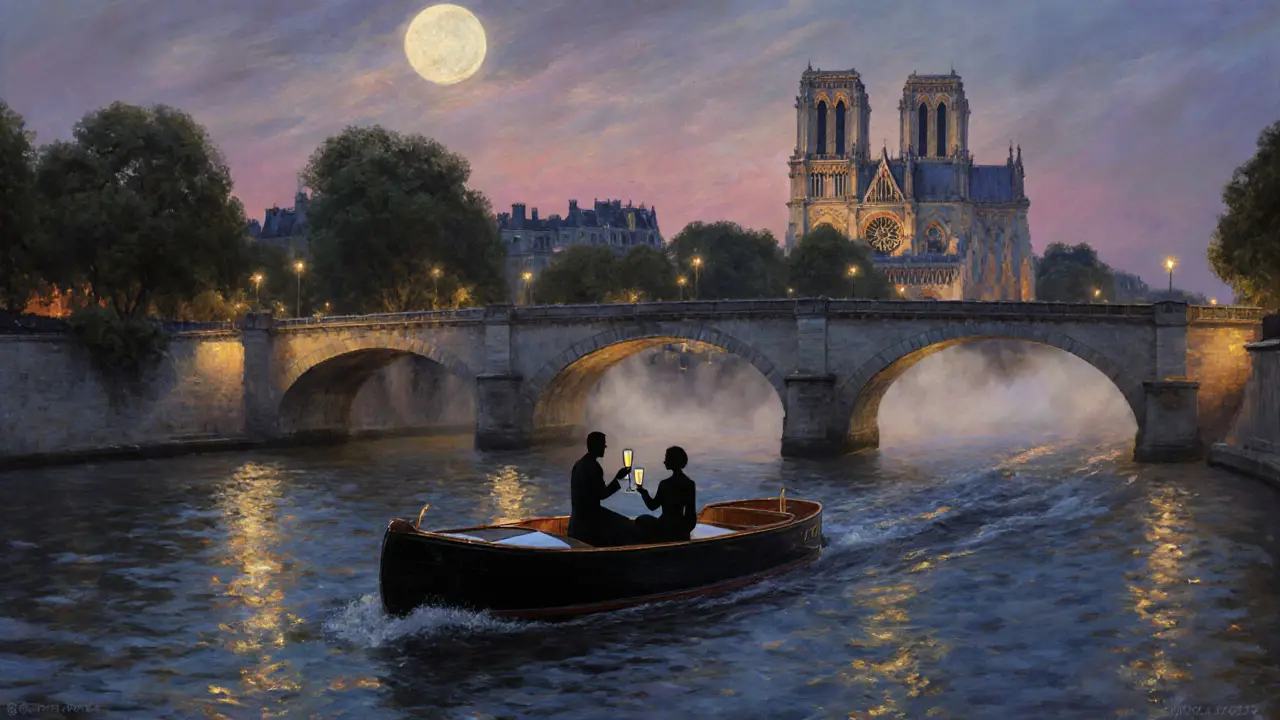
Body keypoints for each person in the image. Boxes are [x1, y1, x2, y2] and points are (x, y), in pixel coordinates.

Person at [566, 431, 635, 547]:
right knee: (626, 525)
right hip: (589, 520)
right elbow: (602, 494)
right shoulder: (594, 467)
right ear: (597, 446)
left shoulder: (579, 464)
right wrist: (617, 478)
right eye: (603, 444)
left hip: (578, 518)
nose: (605, 447)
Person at [634, 446, 698, 544]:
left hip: (664, 526)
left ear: (673, 461)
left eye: (666, 458)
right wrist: (684, 532)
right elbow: (691, 516)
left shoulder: (665, 484)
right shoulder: (689, 483)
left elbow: (652, 506)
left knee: (640, 520)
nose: (664, 461)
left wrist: (643, 492)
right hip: (679, 527)